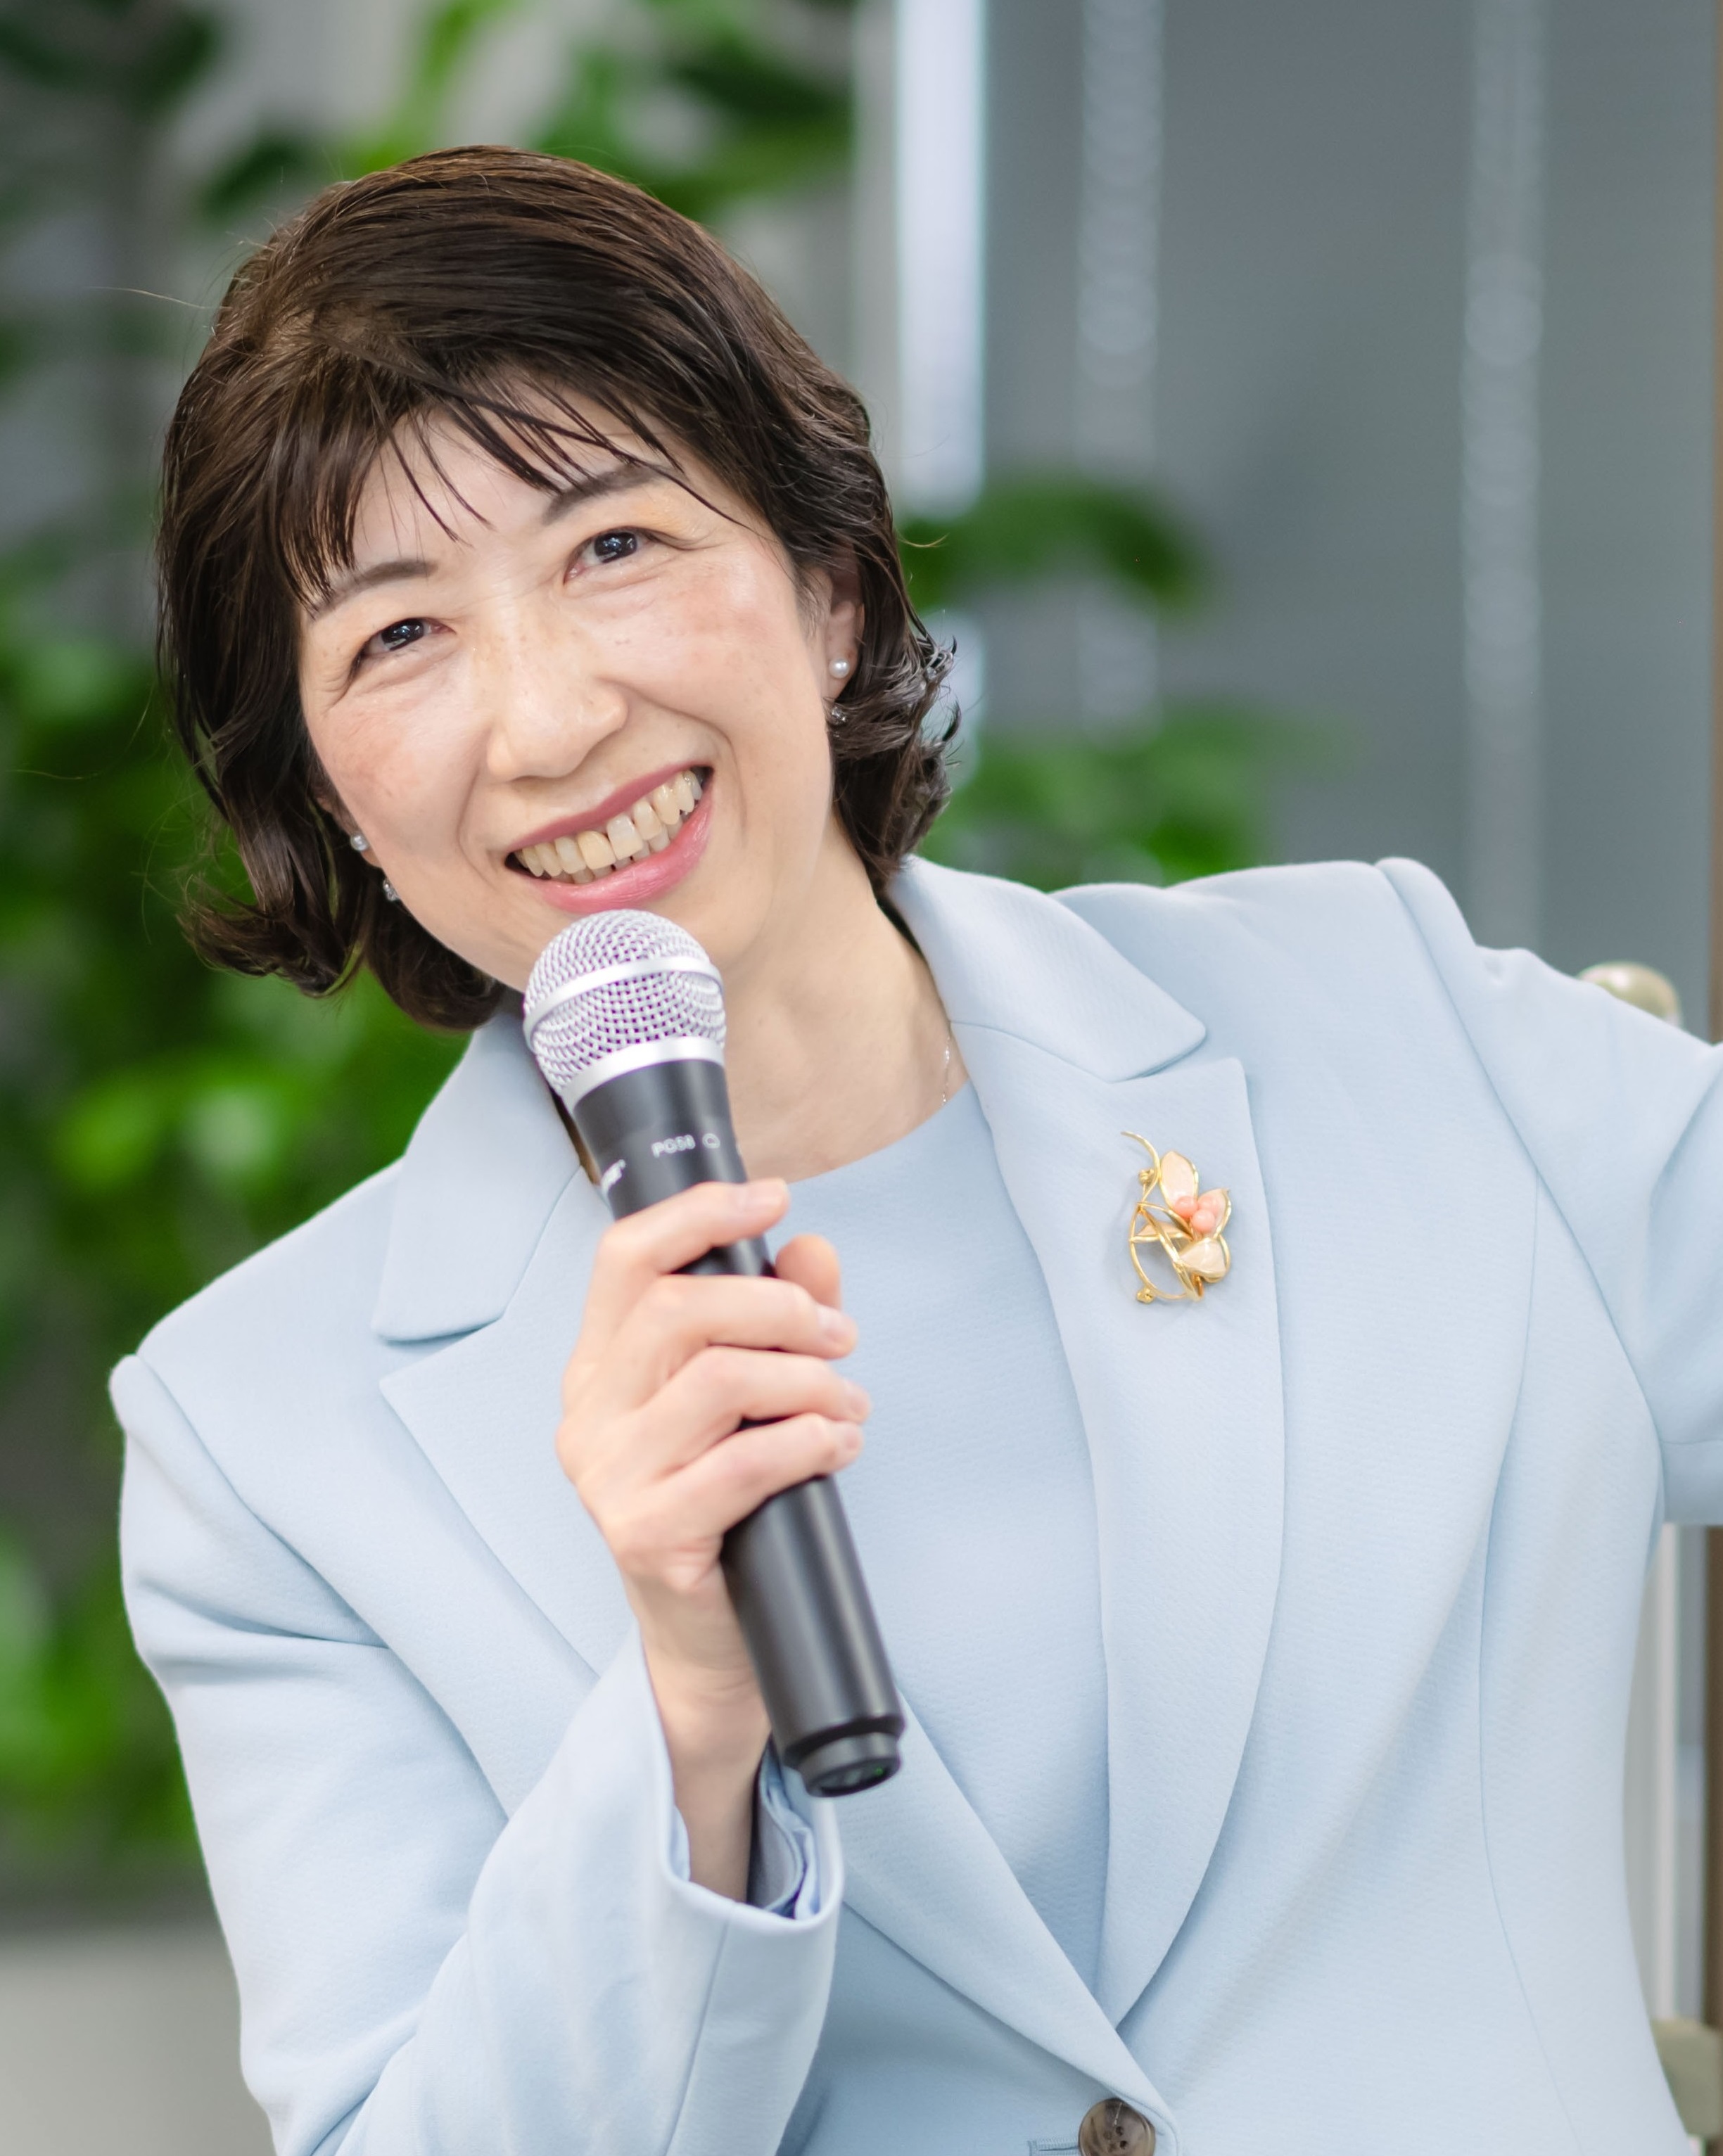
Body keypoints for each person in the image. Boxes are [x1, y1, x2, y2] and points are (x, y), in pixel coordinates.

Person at [116, 145, 1721, 2156]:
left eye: (612, 545)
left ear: (831, 587)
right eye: (398, 640)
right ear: (333, 798)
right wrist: (686, 1725)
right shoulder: (262, 1444)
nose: (545, 720)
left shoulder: (1392, 1028)